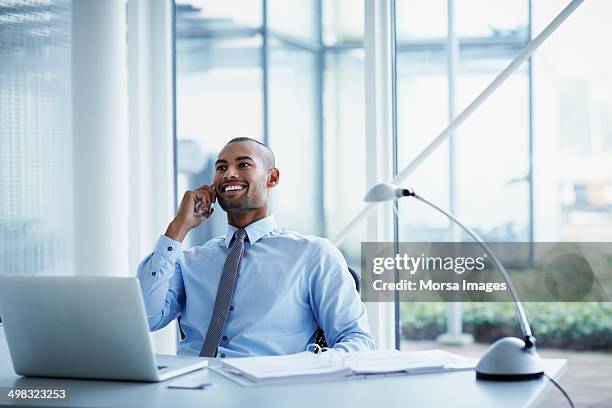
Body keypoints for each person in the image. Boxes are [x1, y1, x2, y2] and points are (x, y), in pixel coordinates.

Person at [137, 137, 375, 358]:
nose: (229, 173)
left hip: (271, 391)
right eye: (221, 168)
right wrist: (178, 227)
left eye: (243, 165)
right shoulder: (189, 261)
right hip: (190, 388)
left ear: (272, 178)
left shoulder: (313, 254)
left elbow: (357, 340)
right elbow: (147, 318)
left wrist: (304, 369)